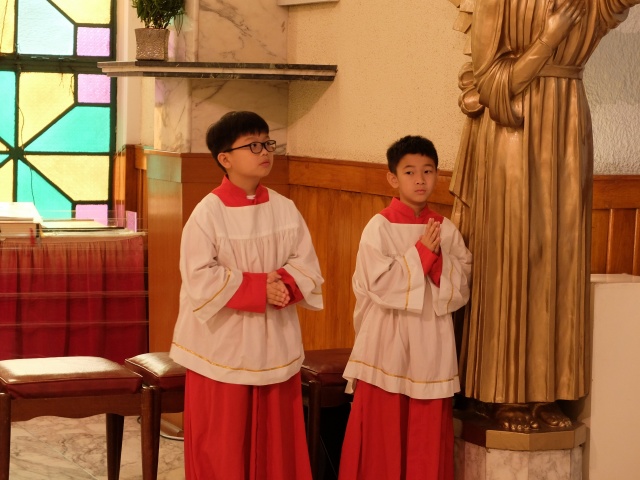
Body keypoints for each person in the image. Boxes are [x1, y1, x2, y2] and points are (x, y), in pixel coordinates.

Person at [450, 0, 640, 430]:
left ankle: (545, 391)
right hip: (514, 127)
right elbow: (489, 82)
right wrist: (547, 39)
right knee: (514, 253)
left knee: (560, 257)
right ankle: (503, 392)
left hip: (568, 124)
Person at [169, 111, 324, 479]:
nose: (264, 151)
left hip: (274, 343)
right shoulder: (208, 213)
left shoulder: (284, 208)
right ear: (225, 158)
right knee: (224, 443)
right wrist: (258, 288)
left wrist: (283, 287)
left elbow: (306, 263)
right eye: (252, 145)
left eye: (267, 142)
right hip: (222, 346)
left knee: (276, 442)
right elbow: (198, 277)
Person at [339, 135, 472, 480]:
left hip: (431, 342)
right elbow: (378, 285)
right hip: (386, 343)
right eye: (410, 172)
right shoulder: (379, 227)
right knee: (382, 434)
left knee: (425, 437)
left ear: (437, 175)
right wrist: (423, 254)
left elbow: (462, 286)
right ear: (393, 178)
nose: (420, 179)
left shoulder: (446, 229)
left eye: (428, 171)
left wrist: (437, 260)